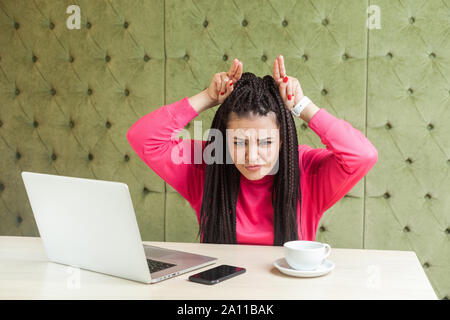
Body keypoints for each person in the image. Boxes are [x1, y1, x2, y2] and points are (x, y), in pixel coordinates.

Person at [127, 55, 378, 246]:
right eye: (239, 142)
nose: (252, 156)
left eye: (266, 142)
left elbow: (362, 155)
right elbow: (143, 137)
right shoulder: (207, 166)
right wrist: (208, 97)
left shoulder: (307, 170)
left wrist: (302, 106)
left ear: (283, 140)